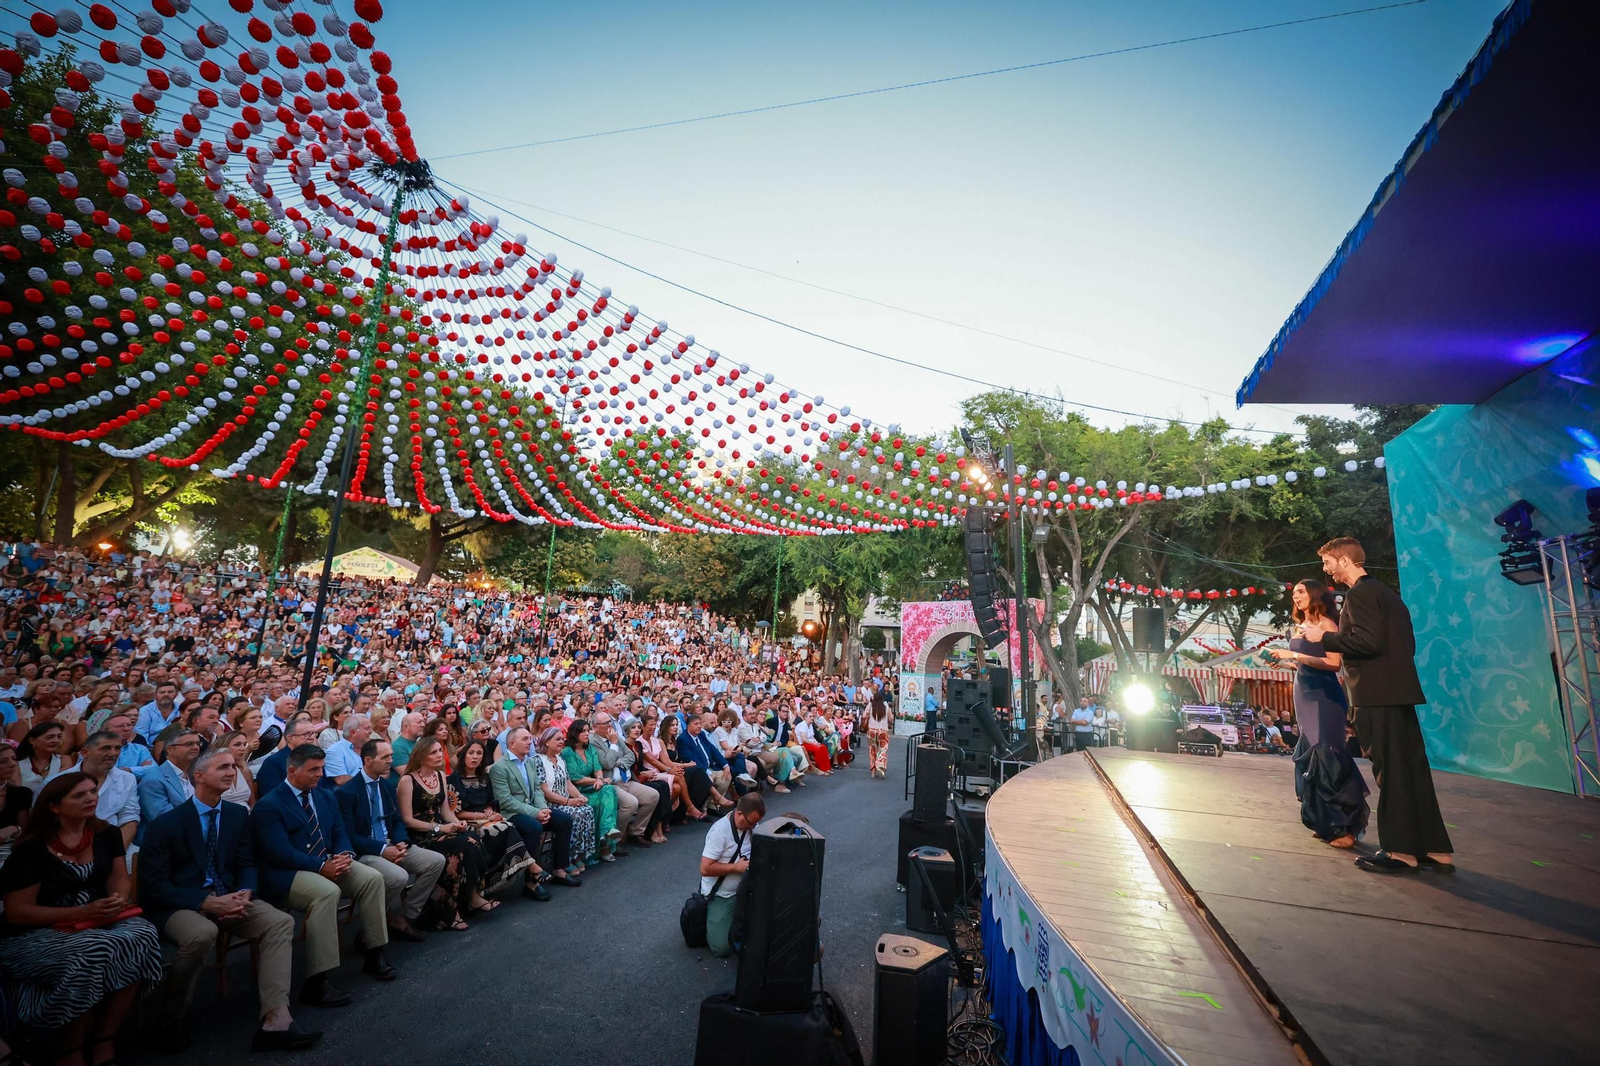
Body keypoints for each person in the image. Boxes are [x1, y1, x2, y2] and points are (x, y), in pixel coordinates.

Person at [137, 747, 321, 1052]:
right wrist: (206, 902)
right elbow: (153, 887)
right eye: (222, 767)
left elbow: (247, 862)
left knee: (279, 921)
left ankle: (276, 1019)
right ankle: (171, 1018)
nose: (231, 772)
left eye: (233, 767)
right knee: (201, 933)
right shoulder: (167, 824)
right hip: (182, 903)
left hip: (230, 895)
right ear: (199, 776)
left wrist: (246, 892)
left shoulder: (236, 814)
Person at [0, 773, 164, 1065]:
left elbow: (119, 880)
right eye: (79, 796)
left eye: (92, 792)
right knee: (93, 949)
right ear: (54, 807)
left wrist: (117, 900)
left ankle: (104, 1038)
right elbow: (17, 911)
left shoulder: (106, 834)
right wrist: (82, 912)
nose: (90, 799)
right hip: (36, 932)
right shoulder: (31, 849)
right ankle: (70, 1050)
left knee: (142, 934)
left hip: (96, 918)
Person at [1317, 538, 1454, 874]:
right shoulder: (1388, 595)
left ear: (1345, 560)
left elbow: (1366, 642)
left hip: (1375, 695)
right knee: (1412, 772)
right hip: (1398, 693)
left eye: (1328, 562)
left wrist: (1324, 638)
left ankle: (1401, 852)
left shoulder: (1360, 594)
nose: (1326, 570)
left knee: (1390, 773)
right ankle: (1435, 849)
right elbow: (1404, 644)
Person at [250, 743, 396, 1006]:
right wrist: (321, 866)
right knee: (326, 892)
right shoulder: (270, 804)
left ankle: (375, 952)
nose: (320, 774)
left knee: (372, 878)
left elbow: (339, 832)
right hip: (288, 872)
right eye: (313, 770)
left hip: (325, 861)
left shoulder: (324, 796)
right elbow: (278, 853)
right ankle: (318, 980)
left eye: (322, 768)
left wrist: (345, 855)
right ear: (292, 770)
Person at [1268, 580, 1370, 849]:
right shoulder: (1300, 626)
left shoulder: (1327, 625)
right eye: (1294, 593)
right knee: (1313, 755)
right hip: (1304, 693)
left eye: (1300, 591)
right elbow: (1307, 664)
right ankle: (1325, 821)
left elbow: (1334, 664)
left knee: (1329, 757)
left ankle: (1345, 828)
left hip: (1324, 698)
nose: (1295, 596)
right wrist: (1287, 661)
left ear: (1315, 595)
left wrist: (1295, 655)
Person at [336, 738, 446, 943]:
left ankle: (406, 915)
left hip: (391, 844)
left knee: (436, 861)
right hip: (367, 850)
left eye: (391, 756)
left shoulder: (386, 785)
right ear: (368, 760)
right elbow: (349, 836)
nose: (390, 761)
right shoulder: (347, 792)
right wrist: (382, 849)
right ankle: (376, 923)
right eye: (385, 757)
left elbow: (396, 820)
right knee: (398, 876)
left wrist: (401, 840)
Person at [395, 736, 496, 928]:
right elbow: (407, 819)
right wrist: (439, 828)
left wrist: (457, 823)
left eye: (440, 751)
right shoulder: (407, 780)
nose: (439, 755)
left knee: (472, 837)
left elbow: (445, 811)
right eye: (433, 752)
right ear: (421, 756)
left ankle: (471, 896)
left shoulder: (440, 776)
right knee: (464, 845)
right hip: (420, 833)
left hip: (442, 828)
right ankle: (450, 911)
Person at [487, 725, 573, 895]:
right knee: (534, 827)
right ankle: (532, 882)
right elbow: (506, 801)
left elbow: (538, 789)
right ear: (512, 743)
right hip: (512, 814)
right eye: (524, 739)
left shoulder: (531, 762)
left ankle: (559, 869)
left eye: (529, 738)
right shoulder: (500, 767)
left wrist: (542, 808)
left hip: (534, 809)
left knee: (564, 820)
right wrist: (535, 813)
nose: (530, 742)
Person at [448, 737, 533, 886]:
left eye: (479, 753)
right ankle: (532, 867)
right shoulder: (454, 779)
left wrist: (488, 809)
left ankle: (525, 870)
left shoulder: (484, 777)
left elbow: (491, 801)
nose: (475, 756)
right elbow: (454, 813)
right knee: (505, 827)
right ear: (463, 755)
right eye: (471, 753)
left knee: (505, 826)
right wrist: (483, 816)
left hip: (487, 818)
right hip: (466, 821)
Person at [698, 792, 765, 959]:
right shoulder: (720, 831)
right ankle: (710, 919)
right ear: (739, 813)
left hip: (745, 890)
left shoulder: (751, 826)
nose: (753, 827)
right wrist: (736, 868)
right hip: (721, 894)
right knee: (722, 949)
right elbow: (705, 869)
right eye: (750, 822)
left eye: (756, 823)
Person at [591, 709, 661, 850]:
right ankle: (613, 840)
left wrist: (619, 761)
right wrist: (614, 744)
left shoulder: (614, 736)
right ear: (595, 727)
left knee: (653, 796)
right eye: (605, 723)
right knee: (631, 803)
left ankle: (636, 831)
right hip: (611, 783)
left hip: (626, 780)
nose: (609, 725)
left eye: (609, 722)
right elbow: (607, 764)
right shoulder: (594, 741)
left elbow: (631, 756)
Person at [535, 726, 601, 870]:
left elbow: (568, 783)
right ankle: (568, 858)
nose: (562, 742)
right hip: (550, 803)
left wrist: (580, 797)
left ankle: (579, 854)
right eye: (557, 739)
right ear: (546, 742)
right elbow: (544, 791)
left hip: (565, 801)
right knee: (576, 814)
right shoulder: (538, 760)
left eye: (562, 739)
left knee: (587, 809)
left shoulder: (560, 759)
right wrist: (569, 802)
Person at [136, 728, 201, 843]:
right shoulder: (153, 780)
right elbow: (164, 820)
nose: (196, 747)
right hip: (162, 842)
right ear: (170, 749)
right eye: (189, 744)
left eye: (197, 743)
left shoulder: (195, 776)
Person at [0, 743, 30, 868]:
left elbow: (27, 830)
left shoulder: (21, 793)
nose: (13, 764)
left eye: (14, 759)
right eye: (3, 761)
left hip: (10, 853)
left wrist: (15, 829)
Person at [865, 691, 892, 779]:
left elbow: (864, 715)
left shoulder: (870, 705)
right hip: (883, 731)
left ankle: (873, 771)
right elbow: (891, 718)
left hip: (872, 730)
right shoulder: (886, 706)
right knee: (883, 749)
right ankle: (880, 764)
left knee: (872, 750)